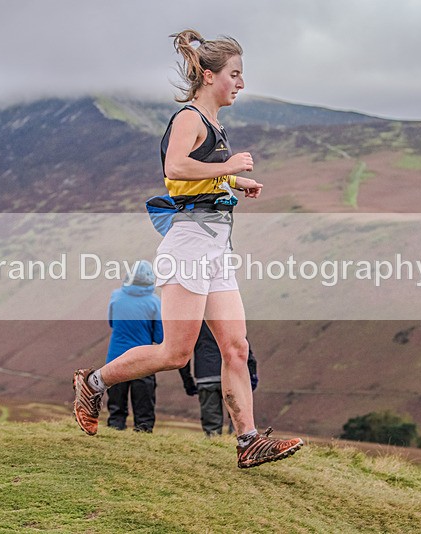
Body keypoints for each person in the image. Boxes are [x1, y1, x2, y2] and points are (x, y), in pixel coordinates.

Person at [73, 29, 303, 468]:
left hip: (216, 246)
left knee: (235, 348)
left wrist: (234, 181)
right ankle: (94, 383)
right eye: (235, 74)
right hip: (189, 245)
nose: (240, 83)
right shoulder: (190, 118)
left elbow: (197, 173)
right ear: (209, 75)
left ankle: (248, 441)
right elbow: (174, 168)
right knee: (175, 353)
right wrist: (232, 166)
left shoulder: (214, 124)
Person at [105, 260, 164, 432]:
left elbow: (111, 323)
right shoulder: (154, 302)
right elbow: (159, 336)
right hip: (143, 360)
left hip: (116, 357)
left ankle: (115, 433)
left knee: (116, 408)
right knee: (144, 411)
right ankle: (142, 435)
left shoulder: (116, 296)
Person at [179, 321, 258, 436]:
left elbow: (184, 351)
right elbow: (243, 347)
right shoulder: (230, 318)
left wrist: (187, 381)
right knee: (238, 420)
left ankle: (214, 446)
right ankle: (238, 444)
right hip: (232, 377)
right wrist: (251, 373)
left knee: (211, 427)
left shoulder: (195, 322)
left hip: (206, 376)